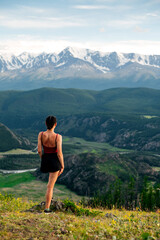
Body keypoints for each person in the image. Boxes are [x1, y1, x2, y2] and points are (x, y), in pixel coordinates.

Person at [38, 115, 64, 213]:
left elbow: (40, 150)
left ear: (46, 124)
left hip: (46, 159)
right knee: (50, 186)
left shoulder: (41, 134)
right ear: (55, 124)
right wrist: (62, 165)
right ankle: (47, 208)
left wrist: (43, 159)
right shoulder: (58, 136)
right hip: (54, 162)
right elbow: (59, 153)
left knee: (49, 185)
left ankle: (48, 204)